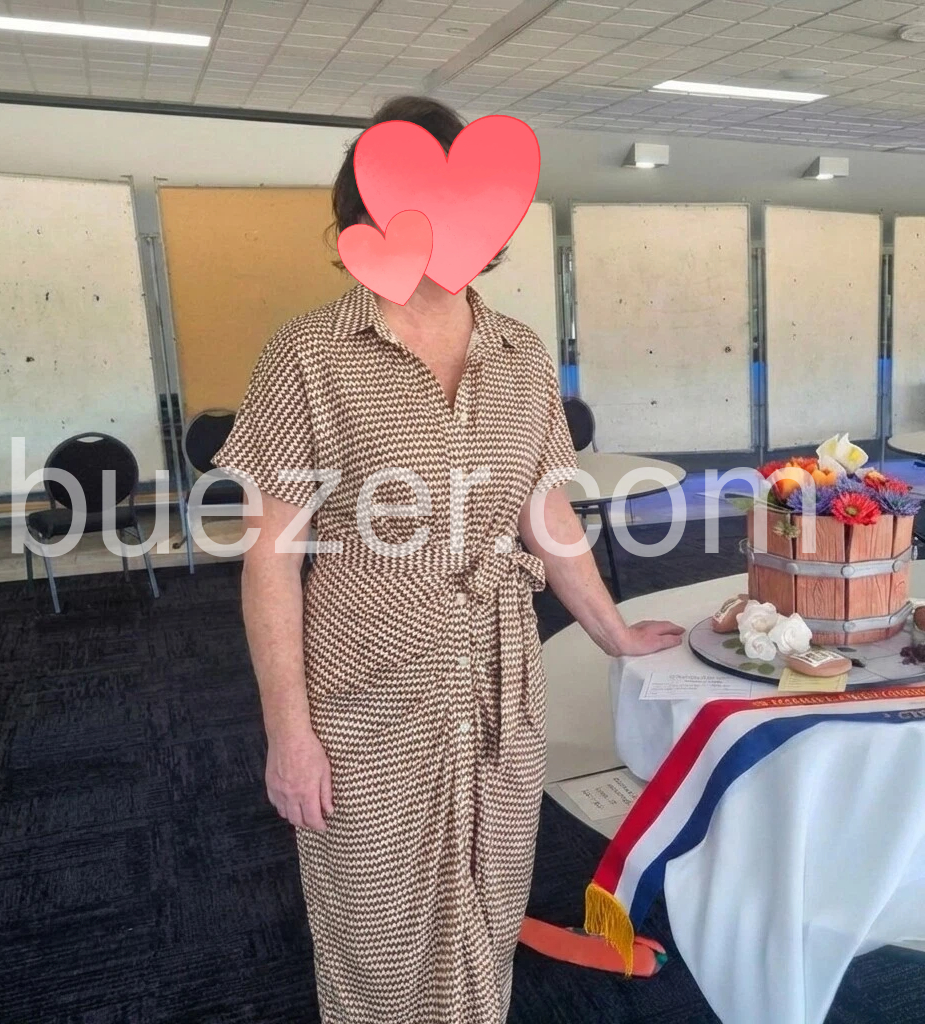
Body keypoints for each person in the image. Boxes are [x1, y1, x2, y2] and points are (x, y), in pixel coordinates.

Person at [213, 94, 683, 1024]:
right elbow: (269, 561)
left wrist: (615, 632)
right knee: (377, 927)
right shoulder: (311, 354)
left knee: (487, 901)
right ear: (366, 210)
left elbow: (545, 512)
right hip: (369, 687)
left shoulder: (520, 354)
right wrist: (289, 733)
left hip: (498, 680)